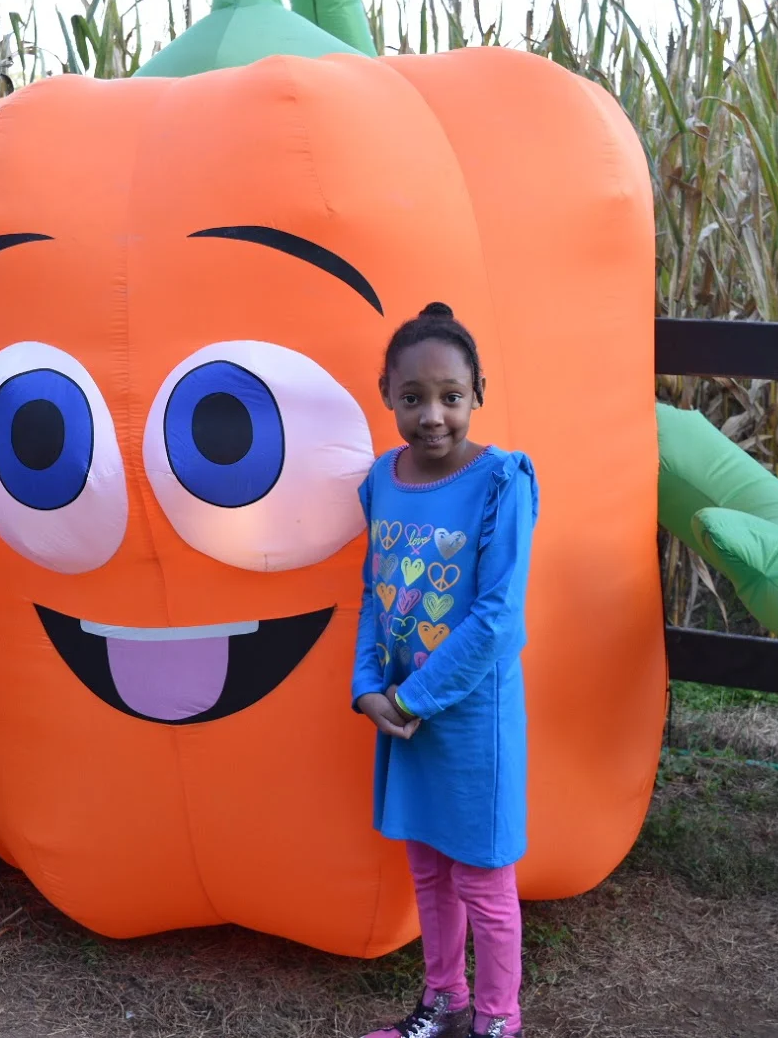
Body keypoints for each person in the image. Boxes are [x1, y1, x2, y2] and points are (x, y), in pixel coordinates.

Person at [353, 302, 539, 1038]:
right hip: (402, 714)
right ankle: (444, 1005)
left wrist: (416, 693)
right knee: (428, 872)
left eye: (451, 396)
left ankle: (498, 1021)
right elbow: (375, 588)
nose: (433, 415)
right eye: (413, 397)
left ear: (478, 392)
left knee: (484, 881)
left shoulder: (502, 481)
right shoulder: (382, 478)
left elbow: (498, 616)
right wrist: (368, 685)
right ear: (387, 394)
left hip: (469, 723)